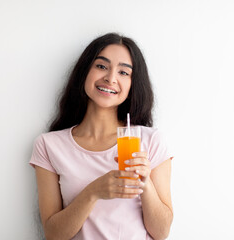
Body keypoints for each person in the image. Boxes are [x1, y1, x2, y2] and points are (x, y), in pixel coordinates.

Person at [30, 33, 173, 240]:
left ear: (133, 84)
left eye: (124, 72)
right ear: (85, 72)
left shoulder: (150, 141)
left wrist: (146, 182)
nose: (111, 78)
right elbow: (53, 234)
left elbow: (161, 233)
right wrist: (93, 192)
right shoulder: (48, 145)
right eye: (101, 66)